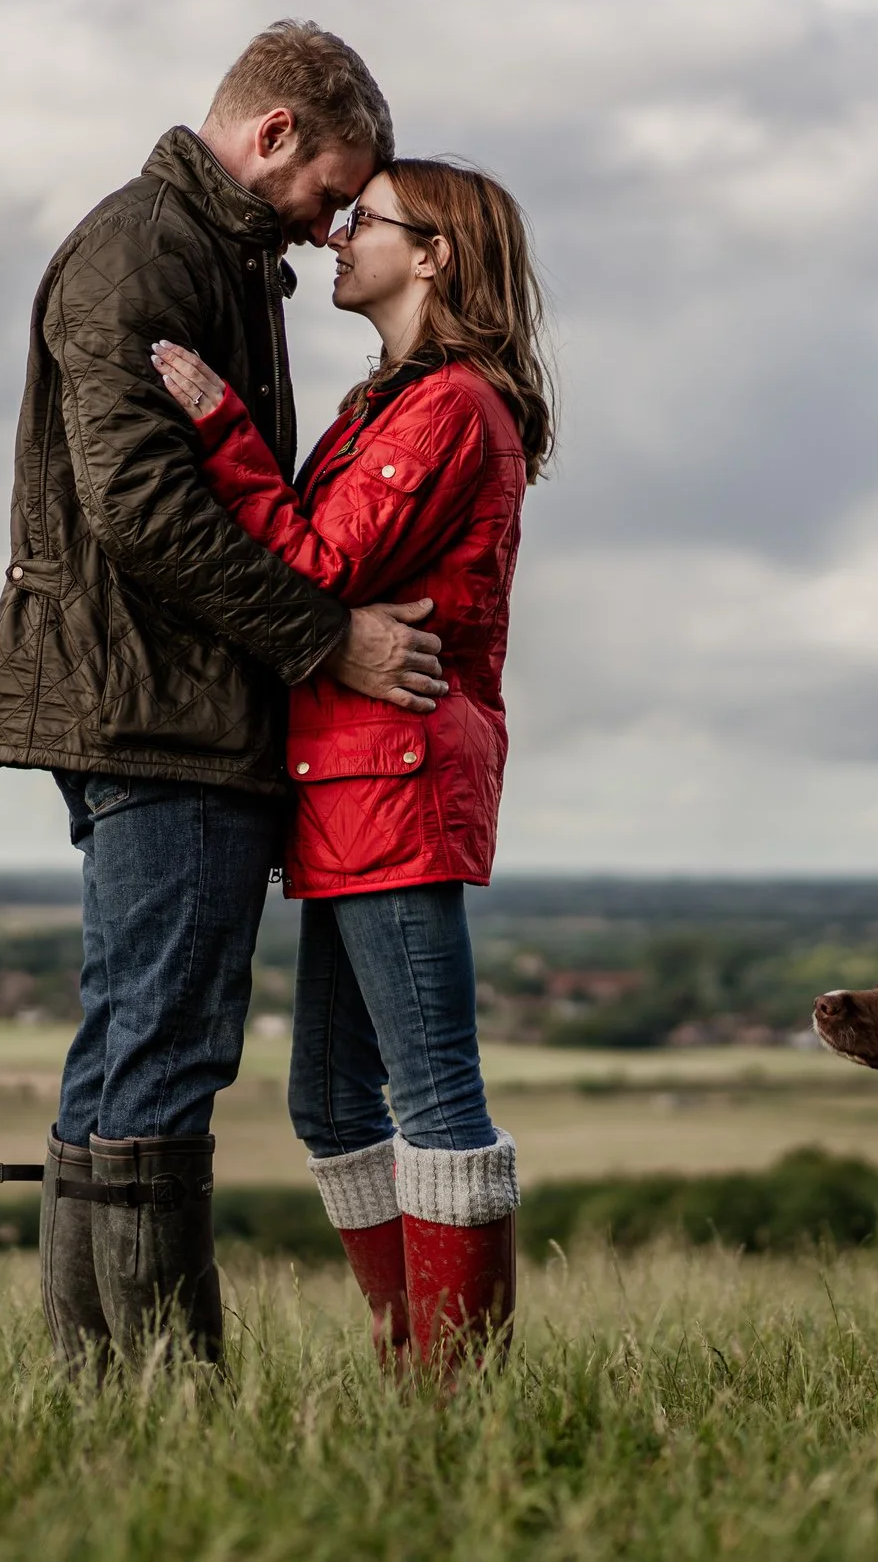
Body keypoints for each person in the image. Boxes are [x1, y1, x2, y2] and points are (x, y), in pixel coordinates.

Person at [0, 22, 450, 1374]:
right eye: (325, 191)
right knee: (168, 1052)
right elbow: (140, 507)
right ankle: (170, 1390)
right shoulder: (146, 252)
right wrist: (326, 641)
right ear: (275, 134)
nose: (324, 226)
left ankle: (97, 1384)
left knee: (129, 1040)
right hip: (159, 710)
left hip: (167, 703)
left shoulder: (213, 255)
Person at [151, 156, 550, 1374]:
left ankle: (456, 1388)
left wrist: (218, 427)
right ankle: (405, 1351)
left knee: (432, 1097)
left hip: (396, 785)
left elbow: (318, 563)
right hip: (345, 788)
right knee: (329, 1103)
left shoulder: (449, 410)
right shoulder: (383, 403)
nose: (335, 233)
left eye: (361, 220)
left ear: (432, 254)